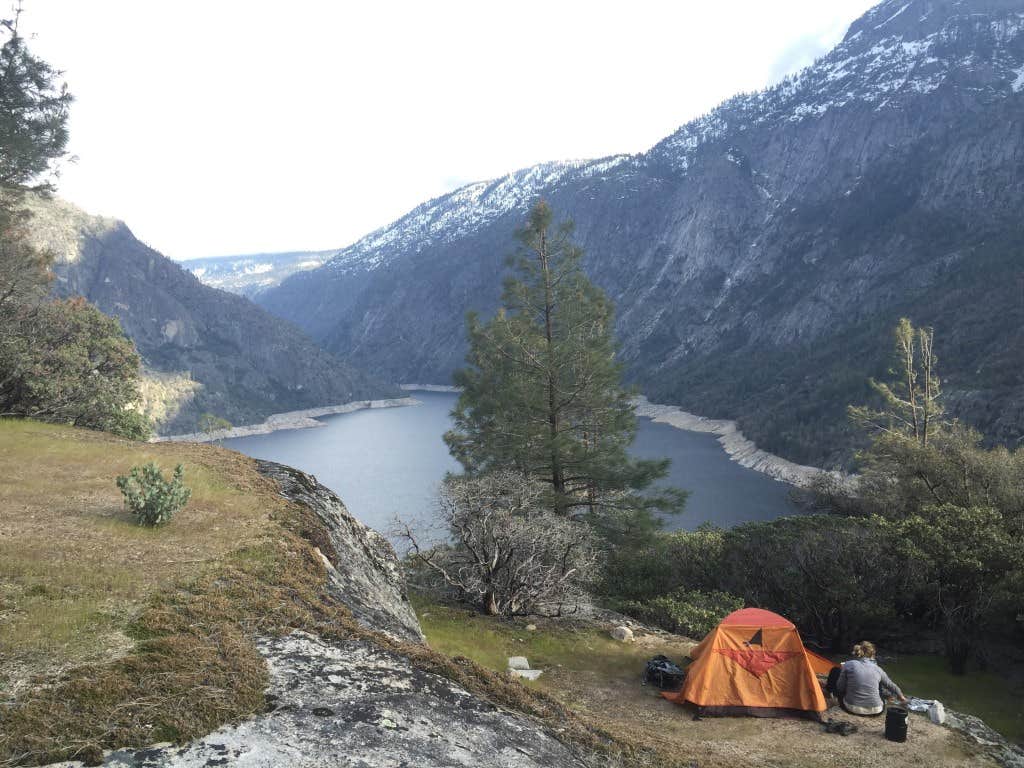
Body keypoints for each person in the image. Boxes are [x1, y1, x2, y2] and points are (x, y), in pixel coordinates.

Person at [835, 641, 908, 716]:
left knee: (836, 671)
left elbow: (840, 687)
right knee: (878, 682)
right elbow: (890, 685)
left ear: (857, 652)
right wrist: (901, 697)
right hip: (876, 711)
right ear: (872, 655)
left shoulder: (849, 664)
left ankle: (830, 693)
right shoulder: (878, 669)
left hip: (851, 708)